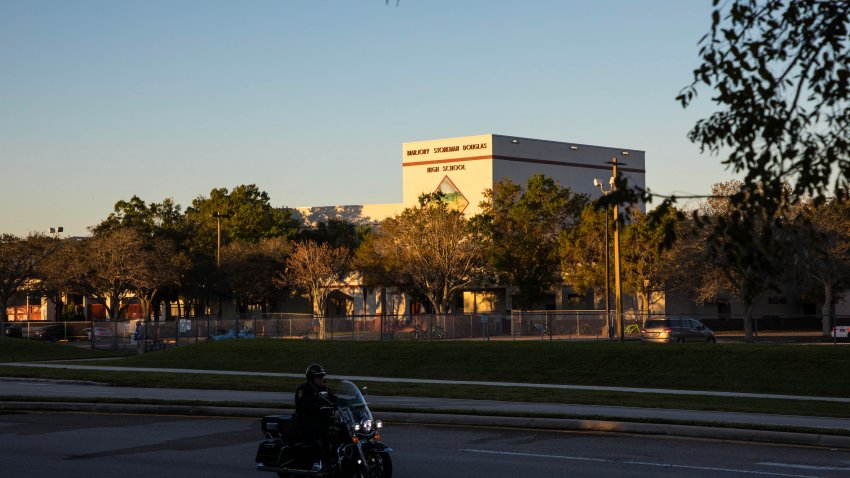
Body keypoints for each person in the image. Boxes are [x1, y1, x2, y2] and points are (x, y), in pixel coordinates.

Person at [294, 364, 336, 471]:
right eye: (319, 377)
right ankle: (318, 461)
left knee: (340, 429)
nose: (322, 379)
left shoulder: (324, 389)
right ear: (312, 378)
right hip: (306, 420)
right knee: (318, 434)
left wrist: (350, 401)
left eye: (322, 377)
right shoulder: (303, 390)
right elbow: (305, 404)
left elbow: (334, 399)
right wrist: (317, 407)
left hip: (322, 420)